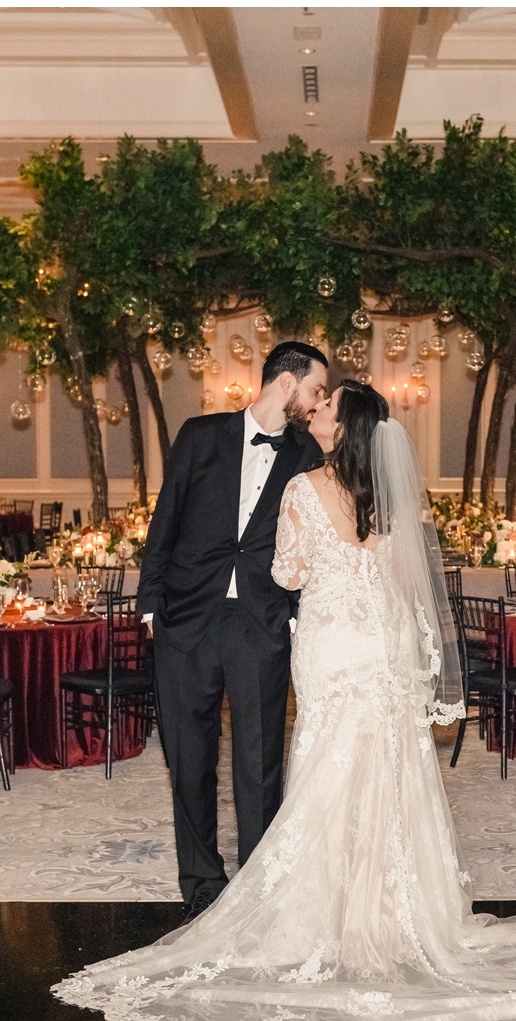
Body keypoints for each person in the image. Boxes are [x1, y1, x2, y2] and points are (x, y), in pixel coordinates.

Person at [58, 378, 516, 1021]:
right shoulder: (392, 496)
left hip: (328, 643)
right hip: (379, 646)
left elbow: (287, 572)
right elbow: (408, 582)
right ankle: (391, 913)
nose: (313, 411)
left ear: (344, 427)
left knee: (325, 763)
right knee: (385, 765)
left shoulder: (301, 489)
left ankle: (328, 911)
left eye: (324, 407)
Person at [136, 340, 329, 919]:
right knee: (188, 757)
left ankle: (259, 885)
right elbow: (164, 519)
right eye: (316, 389)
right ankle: (200, 883)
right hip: (185, 622)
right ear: (287, 382)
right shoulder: (200, 435)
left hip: (260, 623)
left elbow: (313, 541)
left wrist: (294, 613)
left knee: (259, 759)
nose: (319, 402)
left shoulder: (307, 455)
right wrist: (151, 607)